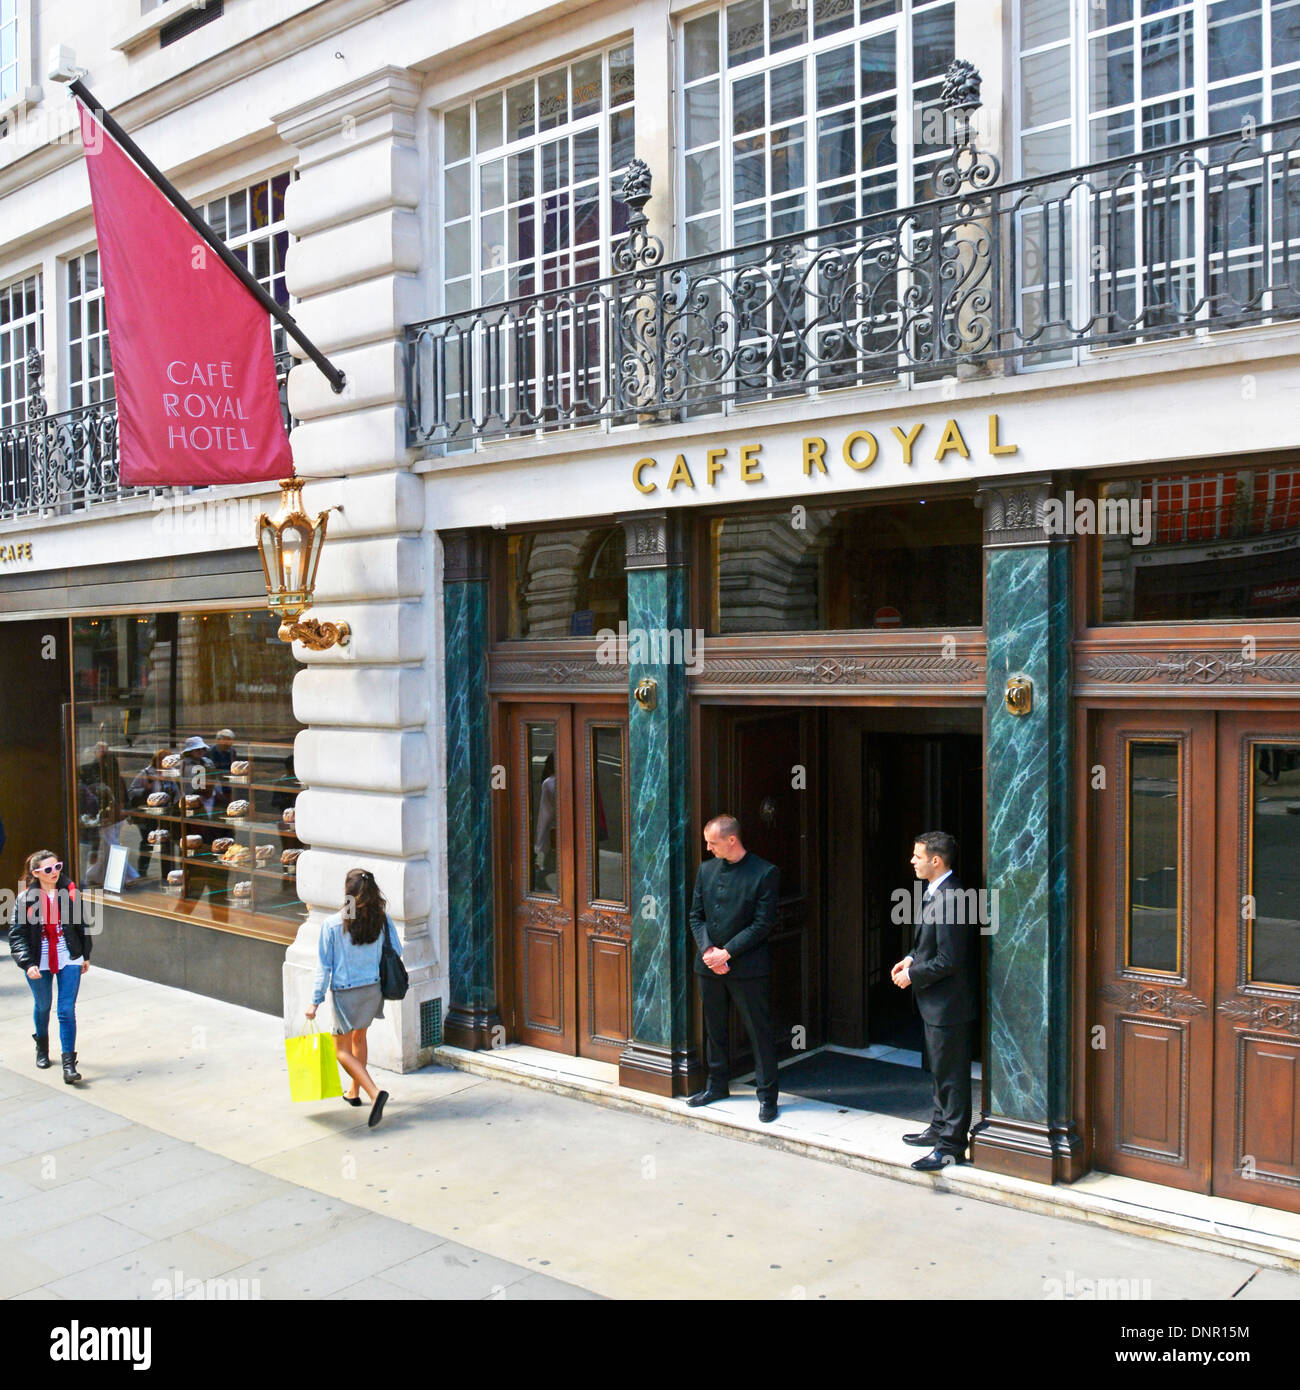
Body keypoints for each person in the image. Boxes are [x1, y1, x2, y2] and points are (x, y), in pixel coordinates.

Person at [686, 814, 780, 1123]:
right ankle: (717, 1085)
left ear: (731, 840)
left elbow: (762, 924)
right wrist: (709, 951)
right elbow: (696, 915)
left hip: (748, 967)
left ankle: (768, 1097)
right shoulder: (706, 870)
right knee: (714, 1029)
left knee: (758, 1032)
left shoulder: (765, 873)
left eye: (712, 842)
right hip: (709, 964)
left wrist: (727, 953)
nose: (708, 848)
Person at [891, 831, 976, 1171]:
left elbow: (950, 958)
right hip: (935, 1002)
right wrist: (911, 959)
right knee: (940, 1071)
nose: (912, 861)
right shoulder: (936, 891)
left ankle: (951, 1145)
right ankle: (939, 1127)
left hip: (949, 1005)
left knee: (952, 1076)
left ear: (936, 861)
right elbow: (928, 944)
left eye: (917, 856)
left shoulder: (954, 898)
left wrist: (912, 976)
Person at [305, 867, 401, 1128]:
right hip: (372, 989)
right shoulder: (381, 919)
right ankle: (354, 1092)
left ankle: (374, 1092)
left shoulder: (333, 924)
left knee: (341, 1051)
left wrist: (314, 1002)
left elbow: (324, 967)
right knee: (359, 1038)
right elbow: (398, 949)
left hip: (346, 992)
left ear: (347, 893)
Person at [9, 850, 92, 1083]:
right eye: (48, 869)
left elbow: (81, 924)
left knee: (66, 1010)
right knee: (43, 1005)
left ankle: (68, 1065)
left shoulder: (70, 893)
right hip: (39, 958)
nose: (54, 872)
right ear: (36, 873)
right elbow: (17, 935)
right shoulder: (25, 899)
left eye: (58, 867)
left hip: (69, 955)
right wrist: (27, 963)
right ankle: (42, 1047)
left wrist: (85, 954)